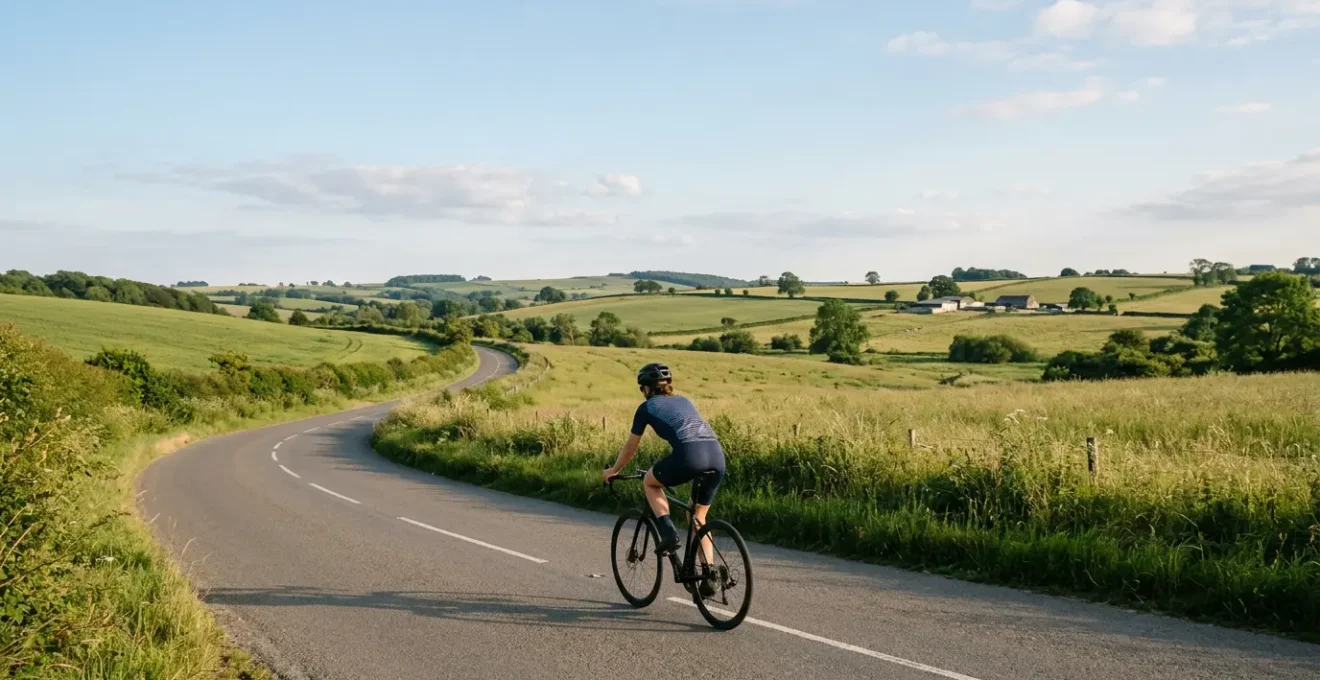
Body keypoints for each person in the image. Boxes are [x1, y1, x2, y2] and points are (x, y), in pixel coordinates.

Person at [602, 362, 726, 558]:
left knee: (650, 482)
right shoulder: (684, 400)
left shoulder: (646, 408)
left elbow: (630, 448)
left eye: (642, 388)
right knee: (698, 517)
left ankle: (668, 534)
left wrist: (614, 470)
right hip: (717, 455)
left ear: (647, 388)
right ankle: (709, 576)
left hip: (690, 455)